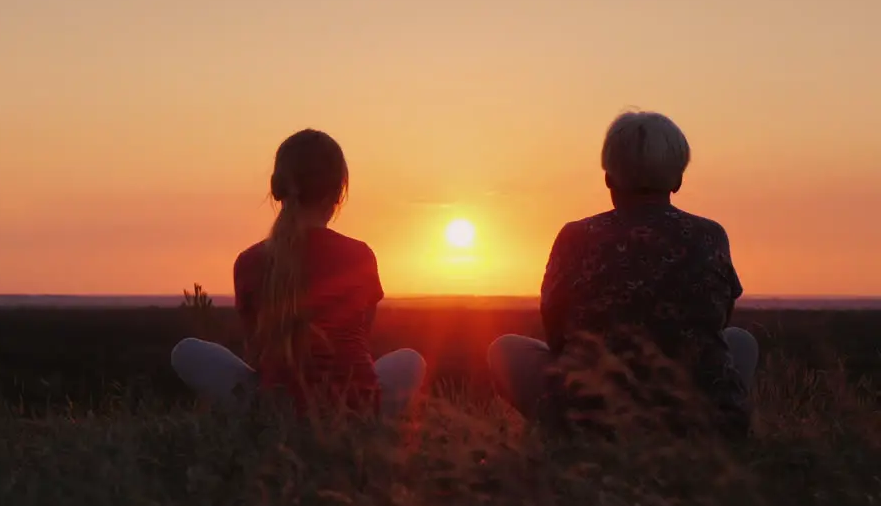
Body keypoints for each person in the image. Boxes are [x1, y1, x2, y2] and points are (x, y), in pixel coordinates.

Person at [487, 111, 758, 436]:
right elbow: (717, 324)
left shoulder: (576, 237)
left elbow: (556, 334)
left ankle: (564, 439)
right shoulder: (710, 235)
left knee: (503, 349)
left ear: (608, 177)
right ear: (678, 180)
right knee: (740, 341)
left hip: (592, 421)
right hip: (699, 422)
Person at [171, 129, 426, 418]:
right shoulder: (361, 256)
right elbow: (361, 341)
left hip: (278, 410)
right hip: (358, 409)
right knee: (410, 361)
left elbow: (256, 351)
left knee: (186, 352)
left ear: (277, 188)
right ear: (338, 192)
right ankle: (367, 416)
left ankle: (258, 413)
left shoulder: (249, 261)